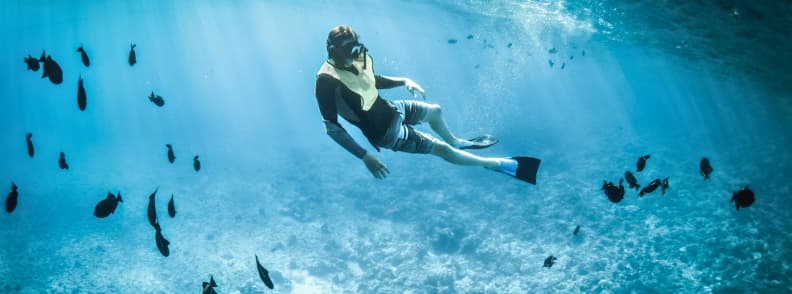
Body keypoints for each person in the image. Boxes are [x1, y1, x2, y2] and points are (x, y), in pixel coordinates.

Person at [314, 25, 540, 184]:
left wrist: (404, 80)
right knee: (441, 150)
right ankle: (495, 164)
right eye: (347, 49)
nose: (354, 53)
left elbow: (371, 80)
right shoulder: (326, 81)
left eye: (355, 47)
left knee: (435, 111)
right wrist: (364, 156)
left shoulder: (355, 58)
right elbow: (331, 128)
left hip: (392, 108)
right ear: (333, 50)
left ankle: (457, 142)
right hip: (386, 133)